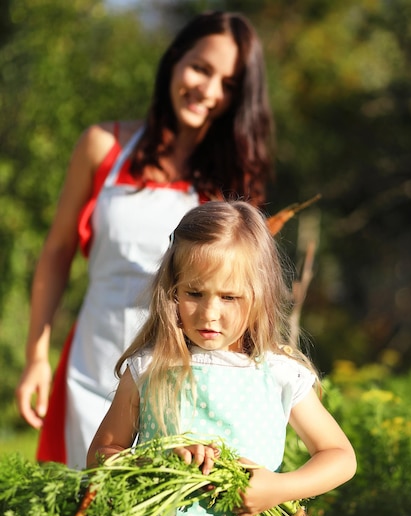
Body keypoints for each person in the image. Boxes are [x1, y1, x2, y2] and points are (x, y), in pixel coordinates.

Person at [15, 11, 275, 469]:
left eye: (228, 84)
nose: (209, 90)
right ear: (174, 60)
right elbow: (57, 253)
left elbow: (241, 294)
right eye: (200, 68)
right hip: (90, 369)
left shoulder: (232, 181)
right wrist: (37, 355)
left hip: (179, 385)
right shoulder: (102, 146)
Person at [87, 200, 356, 516]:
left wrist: (280, 487)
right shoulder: (150, 369)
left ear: (260, 294)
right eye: (194, 293)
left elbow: (340, 456)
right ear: (172, 289)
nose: (210, 313)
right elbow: (102, 453)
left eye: (229, 297)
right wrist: (151, 461)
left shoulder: (278, 373)